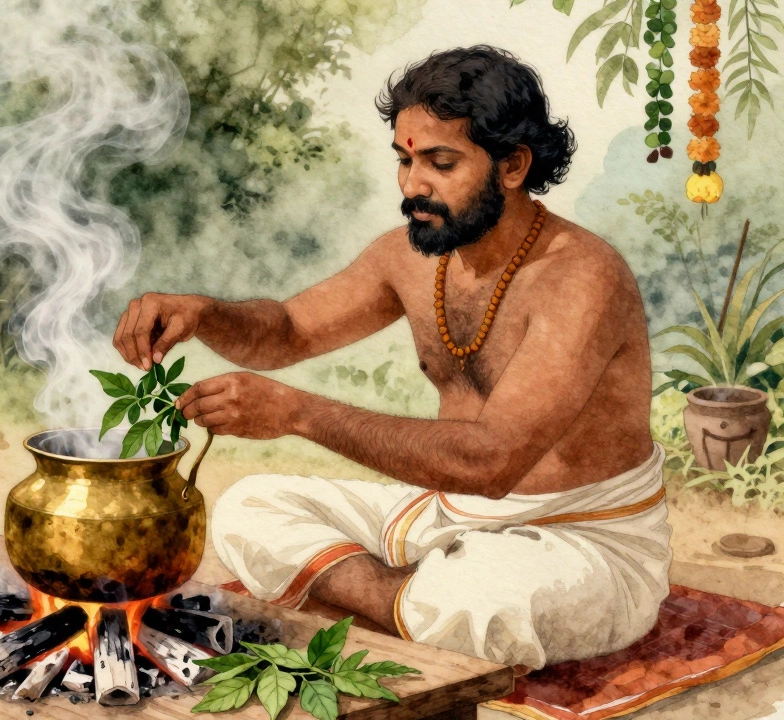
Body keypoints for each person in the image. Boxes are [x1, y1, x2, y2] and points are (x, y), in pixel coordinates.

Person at [112, 45, 670, 671]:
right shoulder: (409, 257)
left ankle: (413, 597)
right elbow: (288, 331)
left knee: (483, 600)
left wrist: (298, 413)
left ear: (512, 166)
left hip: (583, 535)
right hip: (441, 515)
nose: (412, 186)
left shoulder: (580, 276)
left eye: (440, 162)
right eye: (405, 161)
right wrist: (205, 314)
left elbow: (491, 462)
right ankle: (413, 601)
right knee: (248, 508)